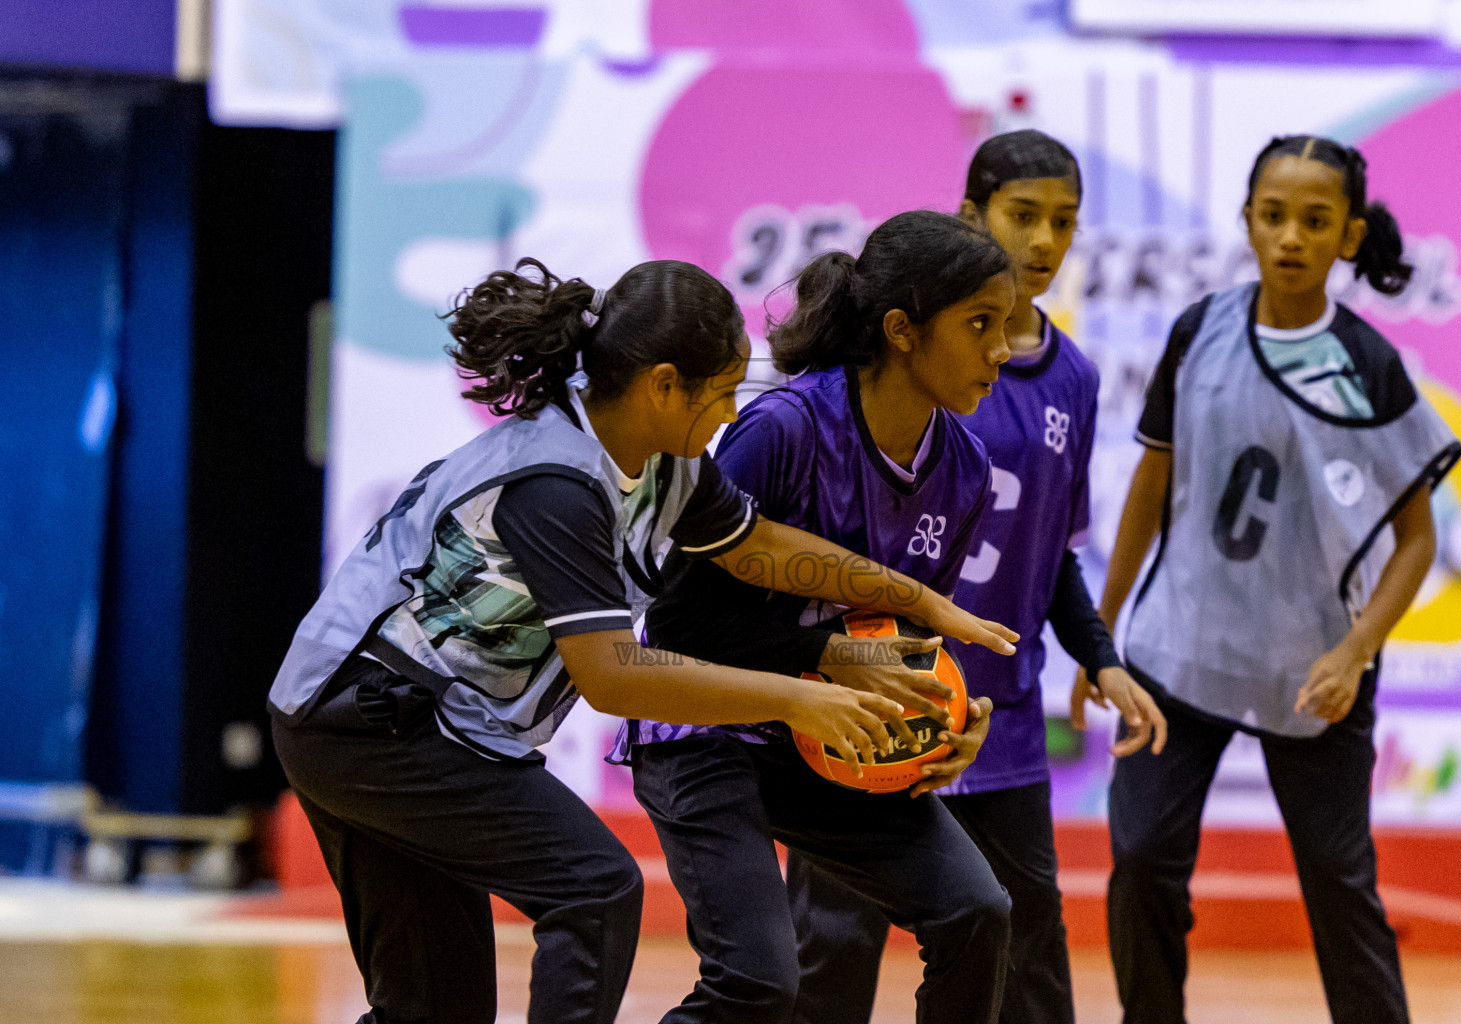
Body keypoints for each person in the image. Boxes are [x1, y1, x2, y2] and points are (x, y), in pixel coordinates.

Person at [266, 256, 1016, 1024]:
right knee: (596, 887)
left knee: (432, 1009)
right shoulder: (553, 482)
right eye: (722, 392)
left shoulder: (667, 461)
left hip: (402, 721)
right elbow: (615, 678)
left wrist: (916, 596)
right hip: (363, 717)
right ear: (664, 385)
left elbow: (761, 545)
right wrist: (797, 698)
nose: (730, 416)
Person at [784, 130, 1168, 1024]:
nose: (1042, 242)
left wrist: (1102, 657)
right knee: (833, 945)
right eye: (1022, 216)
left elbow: (1055, 549)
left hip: (1003, 717)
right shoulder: (907, 369)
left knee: (1025, 954)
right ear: (971, 217)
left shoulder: (1071, 377)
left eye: (1063, 223)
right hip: (877, 699)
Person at [1086, 135, 1461, 1024]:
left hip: (1313, 670)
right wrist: (1098, 637)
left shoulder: (1369, 366)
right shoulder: (1199, 332)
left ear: (1348, 234)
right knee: (1139, 858)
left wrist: (1355, 652)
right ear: (1248, 221)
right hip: (1181, 650)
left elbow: (1416, 541)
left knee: (1339, 885)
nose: (1291, 236)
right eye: (1273, 215)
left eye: (1315, 220)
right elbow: (1150, 482)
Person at [615, 210, 1022, 1024]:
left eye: (1005, 326)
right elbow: (679, 629)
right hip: (709, 731)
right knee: (761, 981)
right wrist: (821, 655)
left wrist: (948, 719)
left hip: (822, 739)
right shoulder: (782, 430)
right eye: (980, 326)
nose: (1001, 351)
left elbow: (897, 645)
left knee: (977, 911)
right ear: (903, 330)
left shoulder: (968, 472)